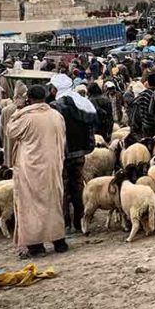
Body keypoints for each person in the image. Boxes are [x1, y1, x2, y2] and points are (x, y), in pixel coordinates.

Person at [8, 84, 68, 259]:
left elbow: (10, 130)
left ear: (30, 99)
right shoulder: (56, 115)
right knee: (53, 202)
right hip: (53, 165)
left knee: (32, 205)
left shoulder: (27, 118)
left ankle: (36, 245)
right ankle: (59, 241)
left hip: (32, 168)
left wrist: (19, 109)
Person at [51, 73, 97, 236]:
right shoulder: (81, 103)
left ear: (56, 88)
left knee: (64, 187)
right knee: (78, 185)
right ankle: (79, 220)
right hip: (80, 152)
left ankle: (66, 223)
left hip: (63, 153)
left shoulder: (55, 106)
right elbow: (91, 125)